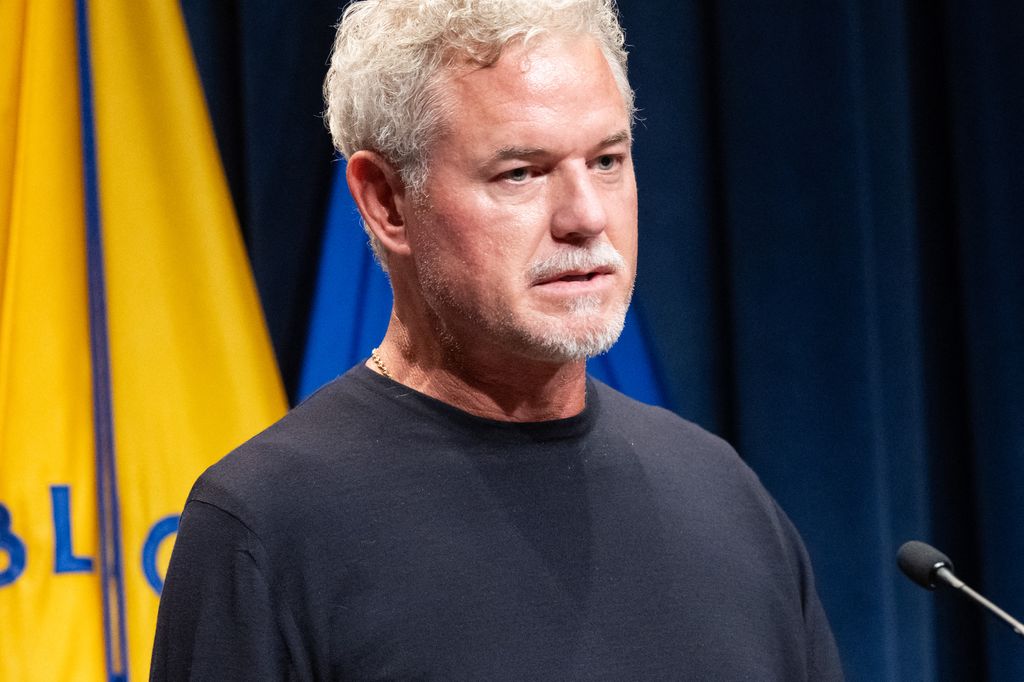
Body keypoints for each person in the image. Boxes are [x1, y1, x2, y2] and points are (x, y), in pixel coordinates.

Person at [151, 1, 844, 679]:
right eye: (522, 173)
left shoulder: (725, 497)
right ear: (387, 201)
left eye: (607, 160)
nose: (585, 216)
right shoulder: (266, 527)